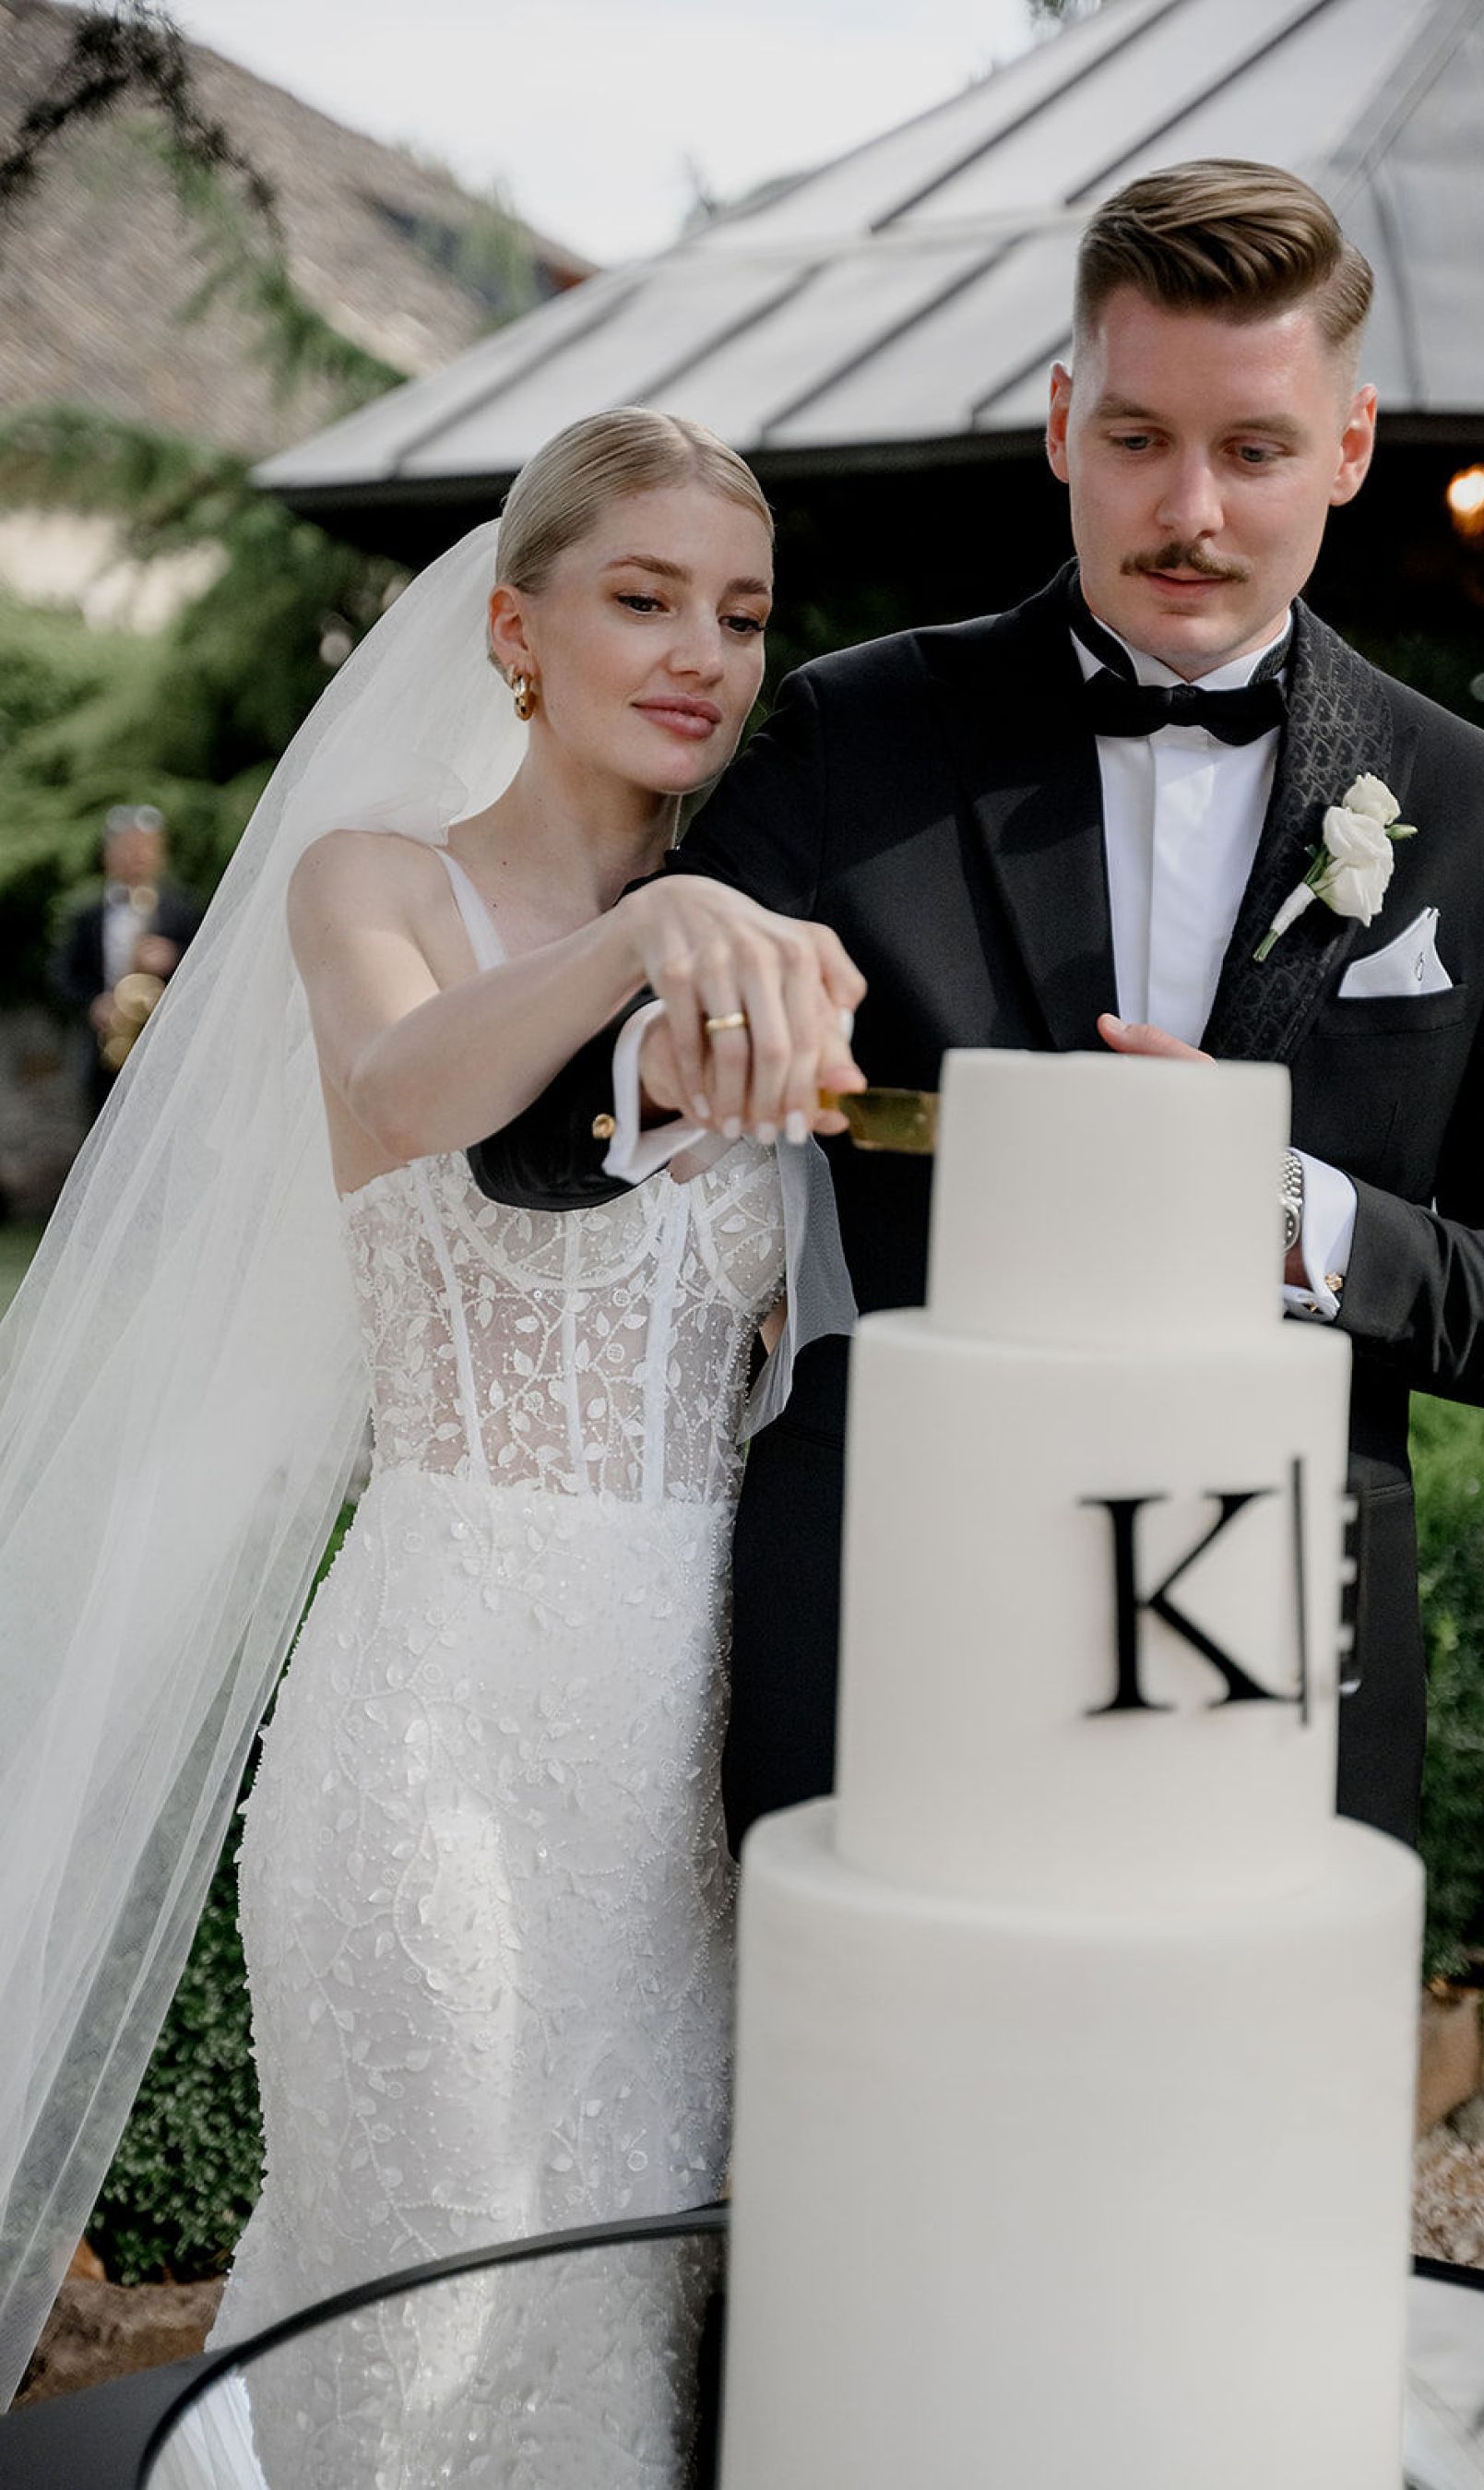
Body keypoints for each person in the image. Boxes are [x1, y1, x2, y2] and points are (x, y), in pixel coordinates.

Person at [470, 161, 1484, 1856]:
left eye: (1254, 450)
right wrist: (677, 1046)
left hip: (1278, 1671)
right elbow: (529, 1137)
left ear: (1350, 445)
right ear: (1058, 422)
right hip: (891, 1638)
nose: (1190, 511)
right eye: (1137, 437)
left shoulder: (1472, 804)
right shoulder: (856, 734)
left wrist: (1284, 1211)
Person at [0, 407, 862, 2474]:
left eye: (742, 614)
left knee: (624, 2307)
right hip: (435, 1718)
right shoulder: (374, 882)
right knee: (429, 2287)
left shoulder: (773, 932)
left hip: (687, 1747)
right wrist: (637, 936)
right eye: (644, 597)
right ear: (514, 627)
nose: (703, 653)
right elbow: (403, 1092)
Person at [49, 804, 202, 1124]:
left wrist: (174, 956)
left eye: (146, 848)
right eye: (128, 848)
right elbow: (63, 975)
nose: (137, 856)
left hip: (168, 1050)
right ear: (108, 855)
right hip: (105, 1054)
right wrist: (93, 1004)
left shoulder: (184, 910)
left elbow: (208, 967)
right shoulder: (87, 916)